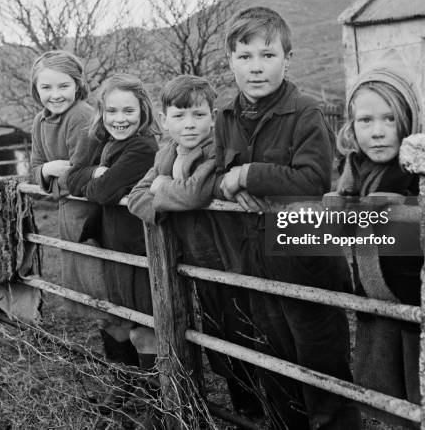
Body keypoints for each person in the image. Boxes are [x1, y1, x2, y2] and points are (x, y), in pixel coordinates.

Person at [214, 7, 358, 429]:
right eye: (245, 57)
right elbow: (214, 172)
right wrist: (227, 179)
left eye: (267, 55)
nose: (256, 68)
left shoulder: (305, 114)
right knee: (274, 361)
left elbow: (314, 179)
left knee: (321, 366)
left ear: (286, 58)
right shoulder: (224, 118)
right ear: (230, 62)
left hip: (306, 258)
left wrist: (248, 174)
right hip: (254, 256)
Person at [128, 75, 263, 418]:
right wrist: (162, 200)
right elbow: (134, 197)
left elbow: (193, 194)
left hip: (229, 257)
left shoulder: (217, 150)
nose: (189, 124)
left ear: (213, 116)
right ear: (163, 119)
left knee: (244, 328)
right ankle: (242, 407)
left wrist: (162, 189)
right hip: (196, 258)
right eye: (179, 115)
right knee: (216, 328)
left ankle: (259, 408)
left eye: (198, 115)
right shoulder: (165, 153)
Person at [335, 53, 423, 426]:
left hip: (414, 304)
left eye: (390, 118)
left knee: (422, 391)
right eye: (366, 120)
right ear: (352, 126)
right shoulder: (354, 171)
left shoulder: (415, 172)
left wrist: (400, 211)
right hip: (376, 300)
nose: (378, 130)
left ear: (408, 120)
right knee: (389, 397)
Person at [66, 73, 159, 370]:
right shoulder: (106, 142)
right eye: (112, 111)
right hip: (117, 247)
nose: (120, 119)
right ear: (102, 112)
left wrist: (97, 179)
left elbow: (101, 193)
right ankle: (130, 388)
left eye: (128, 111)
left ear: (143, 111)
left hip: (141, 249)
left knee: (145, 325)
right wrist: (98, 172)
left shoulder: (142, 147)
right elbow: (73, 178)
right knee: (119, 316)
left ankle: (160, 402)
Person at [29, 50, 100, 315]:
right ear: (36, 89)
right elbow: (33, 170)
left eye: (64, 86)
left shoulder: (81, 116)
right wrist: (47, 169)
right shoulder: (40, 120)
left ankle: (128, 356)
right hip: (69, 212)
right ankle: (113, 356)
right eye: (46, 87)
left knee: (105, 293)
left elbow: (79, 176)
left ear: (78, 85)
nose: (55, 94)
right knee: (90, 296)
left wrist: (50, 183)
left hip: (94, 212)